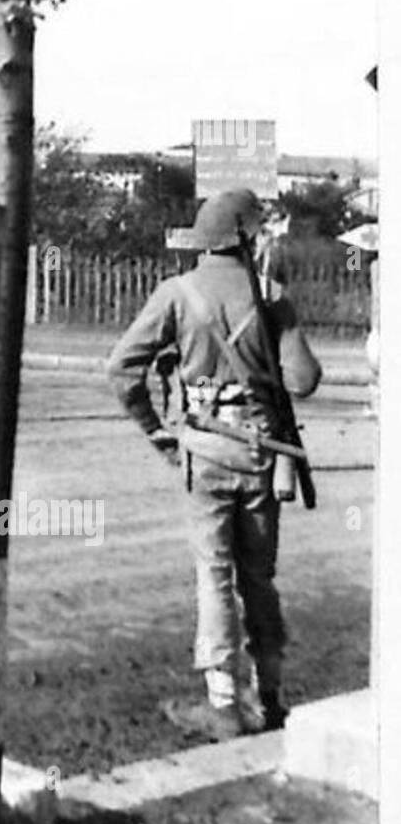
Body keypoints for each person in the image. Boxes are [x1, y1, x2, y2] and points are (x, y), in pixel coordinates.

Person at [106, 188, 322, 740]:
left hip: (202, 453)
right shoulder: (272, 296)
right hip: (261, 457)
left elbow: (121, 370)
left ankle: (224, 702)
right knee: (259, 576)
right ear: (248, 238)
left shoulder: (177, 294)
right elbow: (304, 380)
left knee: (214, 574)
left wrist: (159, 434)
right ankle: (270, 695)